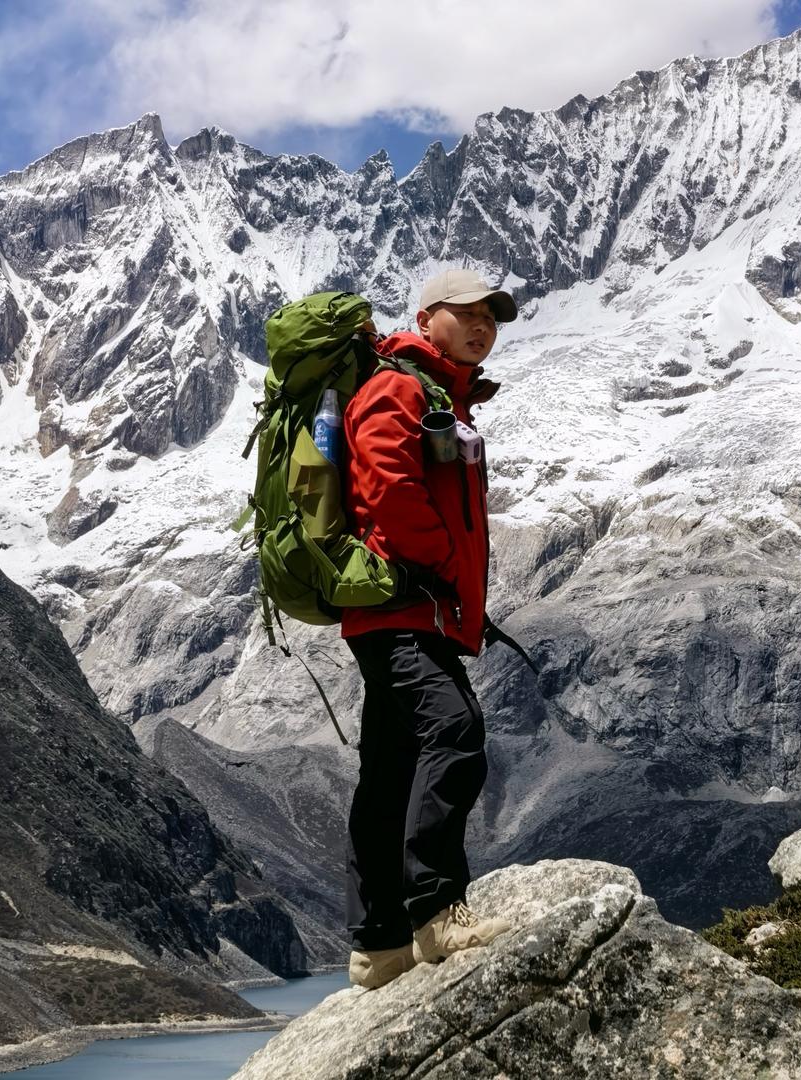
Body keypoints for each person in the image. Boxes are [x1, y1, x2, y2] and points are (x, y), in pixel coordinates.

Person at [341, 269, 516, 990]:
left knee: (389, 770)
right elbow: (386, 482)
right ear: (425, 315)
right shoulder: (400, 387)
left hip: (416, 610)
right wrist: (442, 562)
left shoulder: (442, 396)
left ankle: (379, 944)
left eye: (492, 317)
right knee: (456, 733)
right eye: (466, 312)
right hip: (403, 607)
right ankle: (436, 911)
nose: (482, 326)